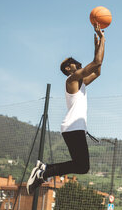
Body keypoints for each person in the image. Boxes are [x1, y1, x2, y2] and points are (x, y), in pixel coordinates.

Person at [27, 23, 106, 195]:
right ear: (68, 69)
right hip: (73, 127)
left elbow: (98, 70)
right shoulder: (71, 79)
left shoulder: (81, 82)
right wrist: (102, 39)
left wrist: (98, 46)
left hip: (75, 128)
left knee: (82, 166)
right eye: (71, 62)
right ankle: (44, 172)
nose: (75, 62)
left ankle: (45, 170)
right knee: (82, 166)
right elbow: (96, 62)